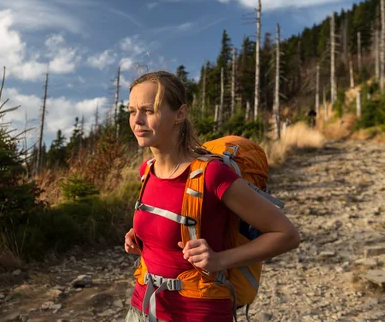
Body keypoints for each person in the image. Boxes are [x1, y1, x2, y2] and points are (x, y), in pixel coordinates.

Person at [123, 71, 300, 322]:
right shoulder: (147, 171)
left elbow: (287, 235)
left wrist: (218, 260)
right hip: (142, 307)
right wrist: (140, 236)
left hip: (199, 312)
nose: (137, 120)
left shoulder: (212, 174)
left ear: (180, 114)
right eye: (131, 111)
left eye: (148, 110)